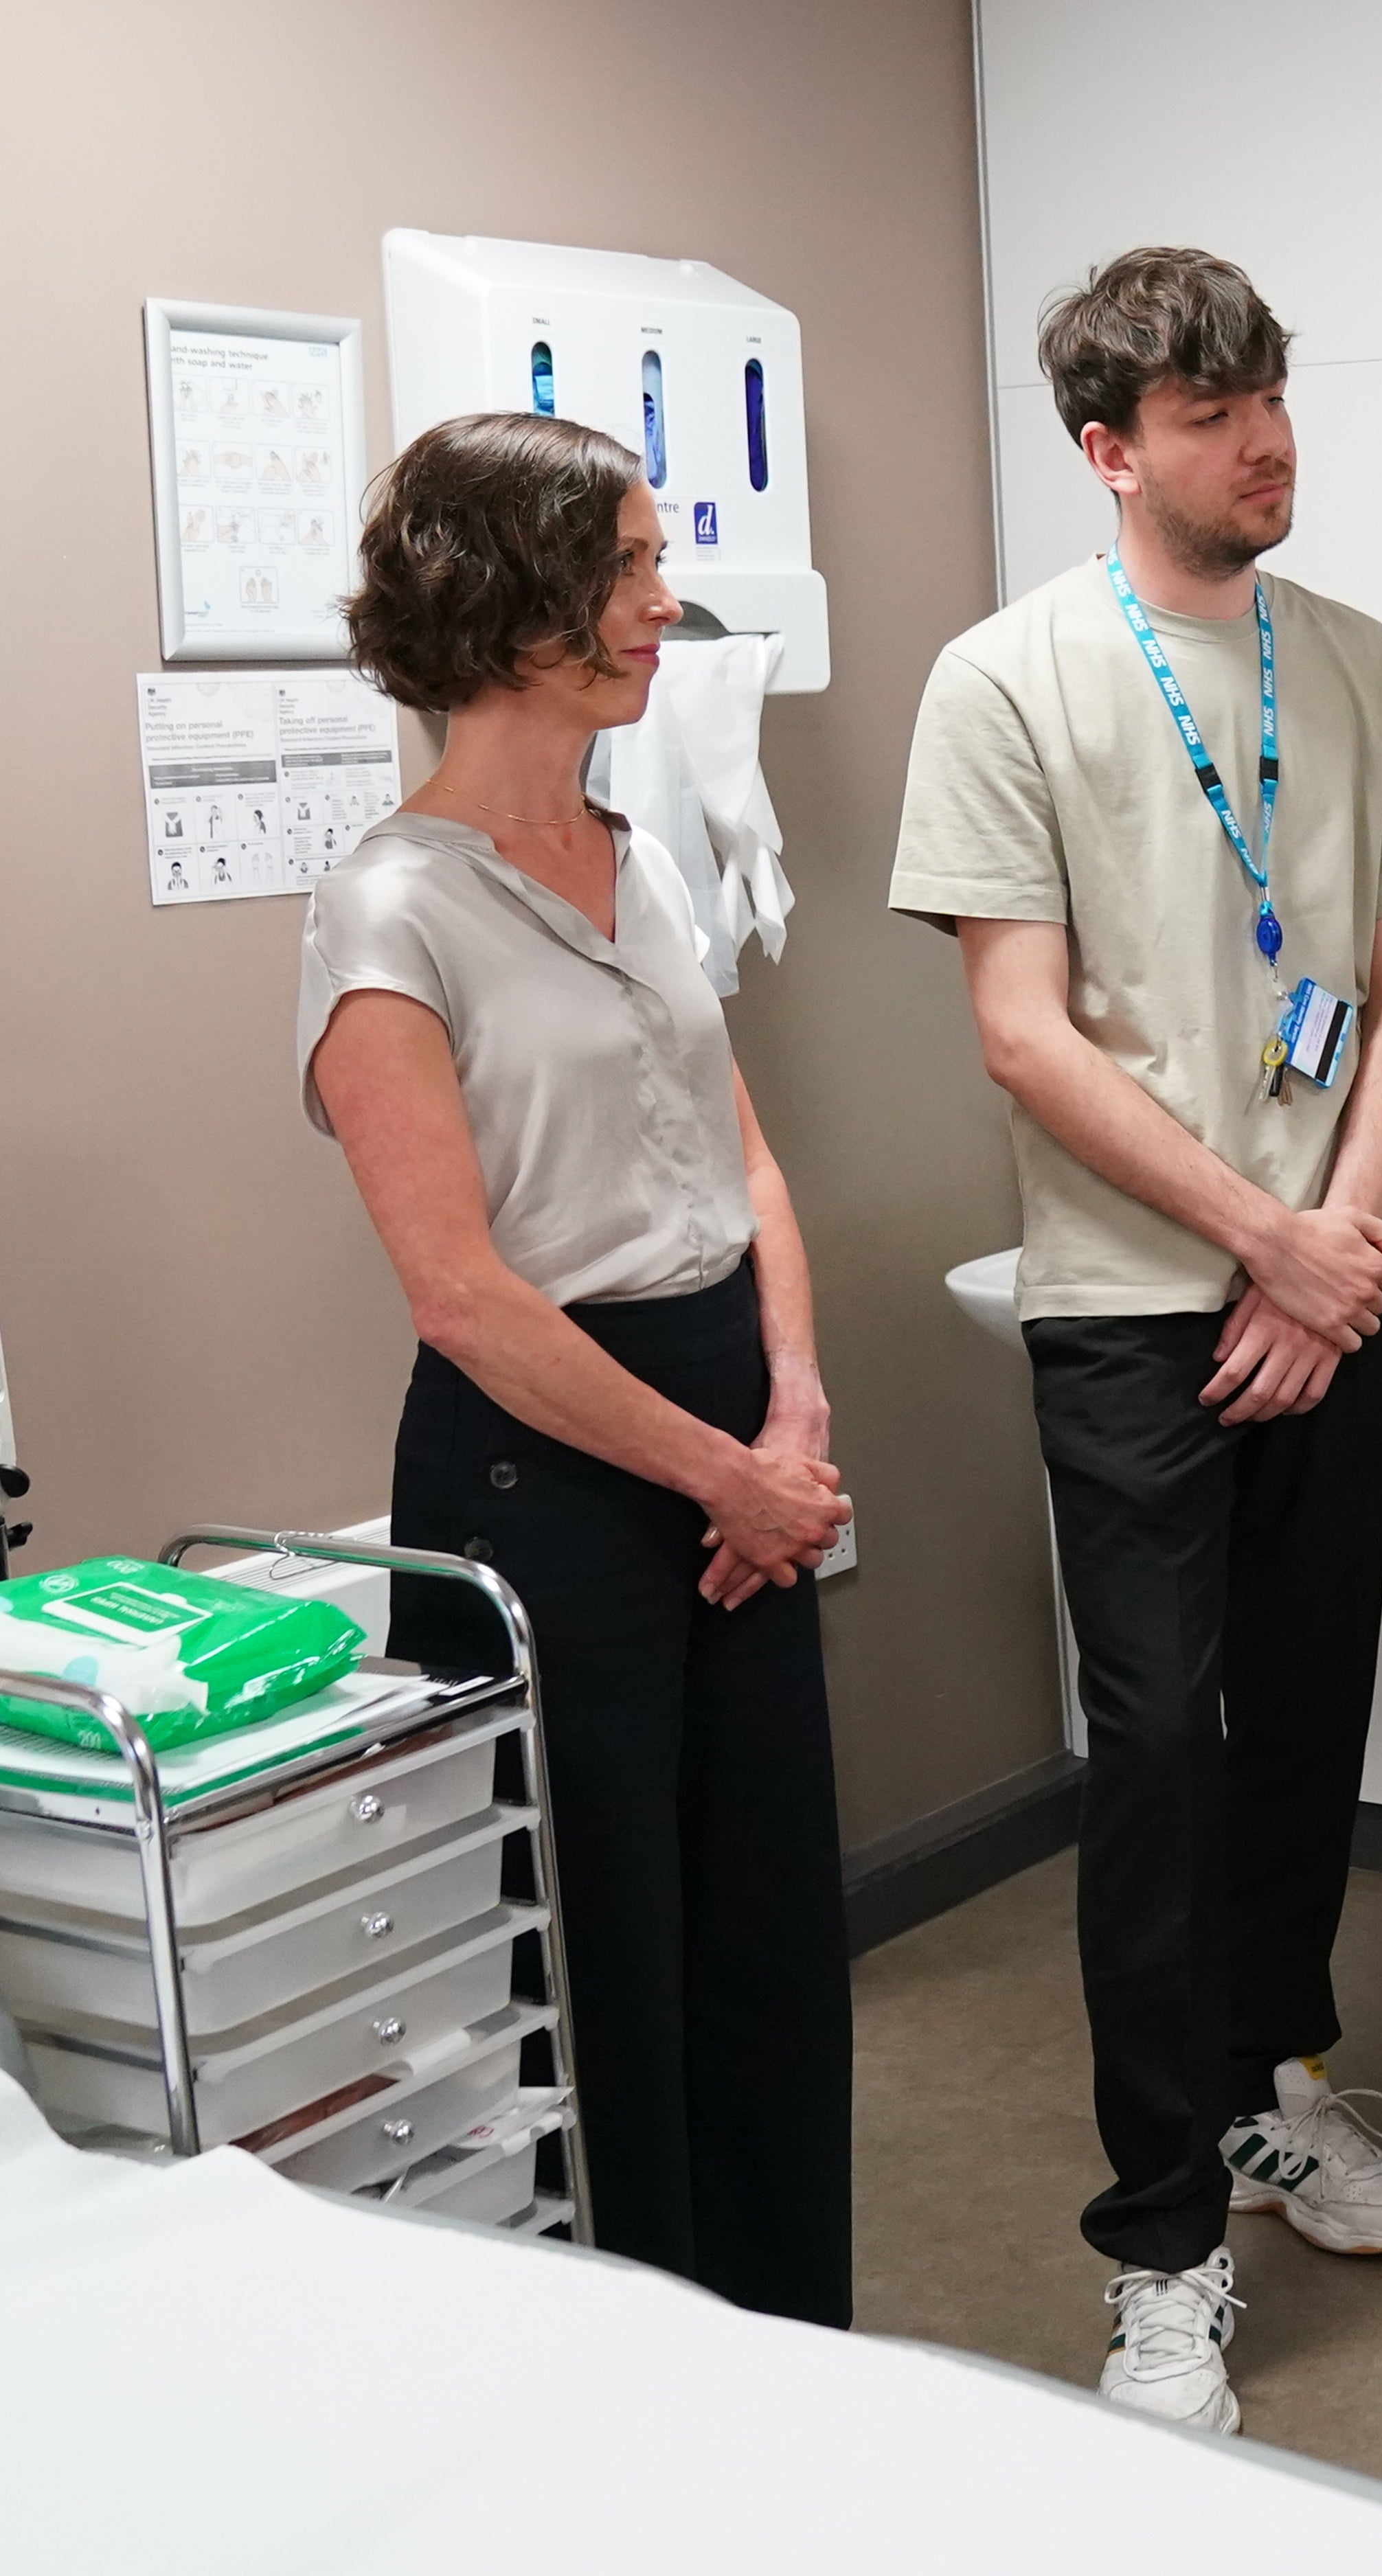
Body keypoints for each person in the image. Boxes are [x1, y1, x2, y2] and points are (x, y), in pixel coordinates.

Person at [891, 247, 1382, 2437]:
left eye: (1274, 396)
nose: (1269, 439)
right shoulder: (1007, 681)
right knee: (1149, 1757)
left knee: (1304, 1720)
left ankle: (1265, 2095)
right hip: (1143, 1314)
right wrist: (1264, 1242)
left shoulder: (1358, 663)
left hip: (1329, 1284)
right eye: (1216, 409)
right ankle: (1157, 2248)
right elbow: (1020, 1039)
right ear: (1108, 447)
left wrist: (1339, 1242)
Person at [302, 411, 857, 2324]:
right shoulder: (389, 909)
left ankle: (795, 2356)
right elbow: (462, 1294)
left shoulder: (644, 858)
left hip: (730, 1432)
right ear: (518, 598)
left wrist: (792, 1409)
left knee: (770, 1947)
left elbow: (751, 1159)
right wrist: (722, 1475)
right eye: (628, 563)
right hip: (548, 1471)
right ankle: (638, 2393)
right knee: (601, 1975)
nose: (663, 599)